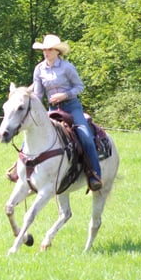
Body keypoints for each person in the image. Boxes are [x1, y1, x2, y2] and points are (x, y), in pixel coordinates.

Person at [31, 34, 103, 191]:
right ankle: (22, 172)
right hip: (52, 109)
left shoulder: (67, 67)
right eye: (44, 50)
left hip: (71, 107)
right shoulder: (39, 69)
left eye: (49, 49)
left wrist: (64, 95)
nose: (46, 52)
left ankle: (94, 174)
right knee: (31, 134)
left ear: (57, 51)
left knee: (85, 136)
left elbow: (79, 87)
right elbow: (38, 94)